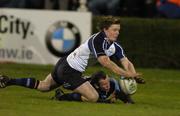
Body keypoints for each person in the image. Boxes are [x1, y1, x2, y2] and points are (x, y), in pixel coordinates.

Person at [0, 16, 144, 102]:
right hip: (70, 70)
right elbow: (105, 62)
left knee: (44, 86)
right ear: (105, 30)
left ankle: (8, 80)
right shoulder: (98, 39)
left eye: (118, 30)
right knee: (93, 97)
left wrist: (133, 75)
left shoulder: (115, 46)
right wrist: (126, 75)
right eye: (114, 29)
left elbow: (126, 62)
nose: (117, 32)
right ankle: (62, 97)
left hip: (65, 63)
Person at [53, 71, 135, 104]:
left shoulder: (112, 83)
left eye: (108, 82)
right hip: (75, 82)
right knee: (77, 96)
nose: (108, 86)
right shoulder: (93, 88)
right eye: (104, 84)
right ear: (97, 85)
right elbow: (97, 100)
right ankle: (60, 95)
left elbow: (122, 94)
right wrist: (109, 101)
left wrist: (127, 100)